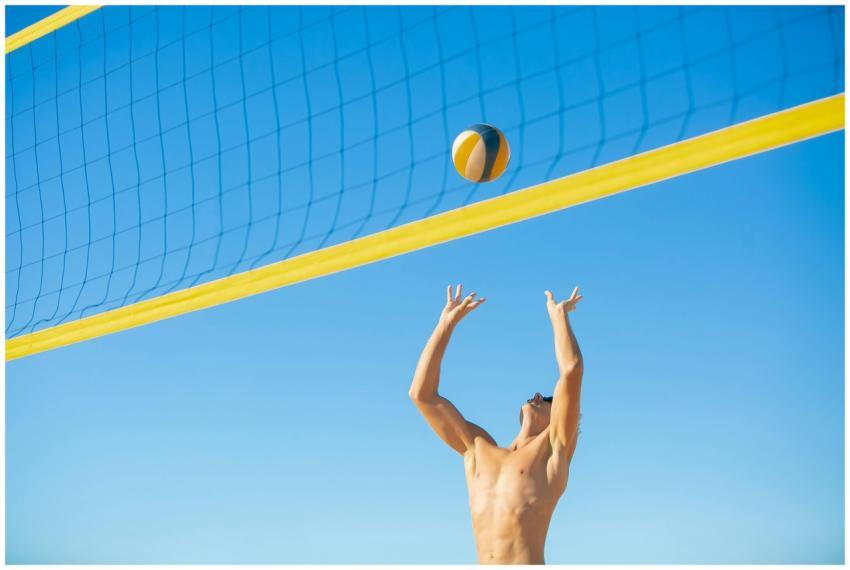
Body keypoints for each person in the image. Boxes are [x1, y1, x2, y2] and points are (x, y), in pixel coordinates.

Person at [409, 284, 584, 564]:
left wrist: (558, 315)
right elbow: (422, 396)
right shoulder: (477, 450)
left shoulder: (553, 451)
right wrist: (445, 325)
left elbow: (571, 370)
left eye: (548, 398)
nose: (538, 396)